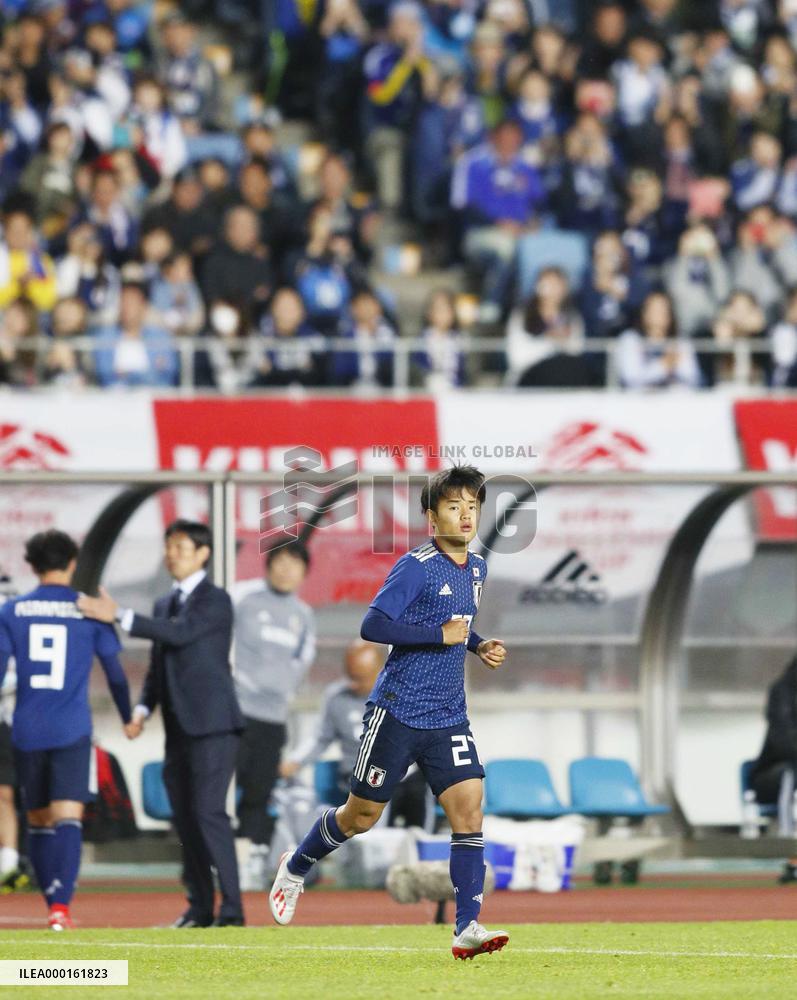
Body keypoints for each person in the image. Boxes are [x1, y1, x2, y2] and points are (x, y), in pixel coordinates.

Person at [268, 465, 510, 961]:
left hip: (448, 716)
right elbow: (373, 624)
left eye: (472, 506)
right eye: (452, 506)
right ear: (431, 515)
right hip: (396, 712)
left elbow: (454, 626)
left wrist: (478, 644)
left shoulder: (479, 568)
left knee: (469, 811)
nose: (464, 516)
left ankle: (467, 928)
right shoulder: (416, 565)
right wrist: (440, 636)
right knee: (361, 816)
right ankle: (296, 863)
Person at [78, 520, 245, 928]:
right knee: (185, 819)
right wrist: (139, 712)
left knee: (208, 814)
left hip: (213, 727)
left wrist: (118, 615)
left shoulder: (215, 600)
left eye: (181, 547)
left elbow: (181, 634)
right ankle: (200, 907)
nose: (172, 554)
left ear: (203, 553)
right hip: (177, 729)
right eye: (169, 546)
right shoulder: (162, 604)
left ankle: (233, 910)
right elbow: (158, 667)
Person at [0, 530, 132, 930]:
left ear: (32, 565)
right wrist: (129, 716)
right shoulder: (88, 610)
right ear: (72, 563)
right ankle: (61, 908)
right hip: (72, 728)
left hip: (26, 728)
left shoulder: (11, 611)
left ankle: (50, 903)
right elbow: (115, 674)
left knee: (38, 819)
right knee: (68, 816)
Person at [234, 540, 316, 890]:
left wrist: (280, 693)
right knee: (218, 791)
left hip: (272, 719)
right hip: (234, 712)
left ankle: (245, 862)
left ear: (303, 572)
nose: (286, 569)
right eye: (280, 561)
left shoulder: (304, 615)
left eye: (294, 564)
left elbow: (302, 661)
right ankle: (210, 860)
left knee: (257, 794)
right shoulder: (243, 599)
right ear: (268, 565)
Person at [279, 640, 382, 803]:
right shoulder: (337, 698)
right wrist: (294, 762)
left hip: (397, 775)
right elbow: (320, 739)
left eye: (360, 678)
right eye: (350, 676)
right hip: (355, 777)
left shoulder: (401, 696)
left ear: (379, 672)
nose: (353, 684)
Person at [748, 654, 797, 883]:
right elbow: (784, 741)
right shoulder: (783, 691)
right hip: (772, 775)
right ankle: (791, 857)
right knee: (791, 773)